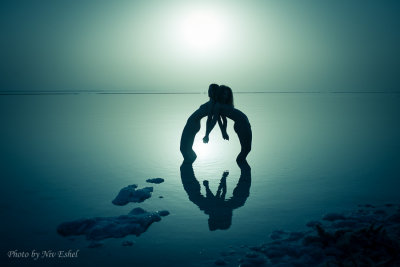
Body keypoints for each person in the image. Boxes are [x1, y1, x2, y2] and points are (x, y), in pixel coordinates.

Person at [180, 84, 228, 163]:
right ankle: (190, 162)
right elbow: (218, 119)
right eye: (208, 89)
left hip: (192, 125)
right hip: (193, 124)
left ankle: (188, 164)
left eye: (210, 90)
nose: (208, 91)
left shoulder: (212, 103)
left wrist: (207, 135)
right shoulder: (213, 103)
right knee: (187, 148)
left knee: (183, 148)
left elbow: (210, 120)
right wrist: (223, 131)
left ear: (213, 92)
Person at [203, 85, 252, 163]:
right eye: (223, 94)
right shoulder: (217, 105)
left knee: (247, 149)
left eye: (227, 94)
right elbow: (214, 121)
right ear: (219, 94)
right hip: (241, 125)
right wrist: (207, 134)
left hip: (245, 124)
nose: (225, 96)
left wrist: (224, 132)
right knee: (246, 149)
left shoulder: (225, 104)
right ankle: (241, 164)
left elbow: (224, 121)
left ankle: (243, 166)